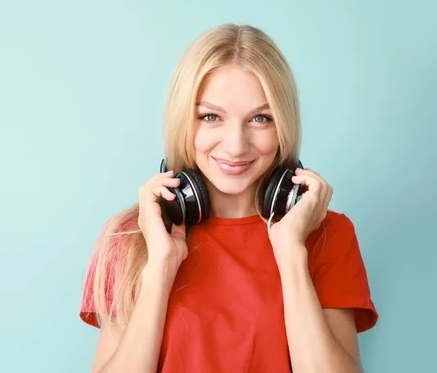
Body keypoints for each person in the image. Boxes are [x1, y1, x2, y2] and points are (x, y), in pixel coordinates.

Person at [78, 23, 378, 372]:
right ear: (183, 121)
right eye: (211, 117)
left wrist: (292, 254)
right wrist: (159, 268)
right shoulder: (130, 237)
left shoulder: (328, 236)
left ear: (283, 126)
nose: (236, 145)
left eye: (260, 119)